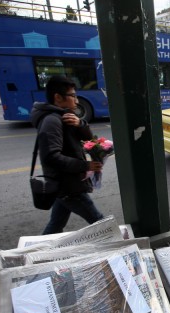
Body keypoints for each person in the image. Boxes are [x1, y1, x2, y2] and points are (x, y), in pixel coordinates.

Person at [30, 75, 104, 234]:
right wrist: (85, 165)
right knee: (100, 222)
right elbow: (51, 157)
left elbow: (87, 138)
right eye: (73, 96)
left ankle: (37, 253)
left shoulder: (66, 116)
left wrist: (80, 123)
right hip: (69, 186)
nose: (77, 100)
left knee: (55, 225)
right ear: (58, 97)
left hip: (64, 185)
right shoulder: (52, 121)